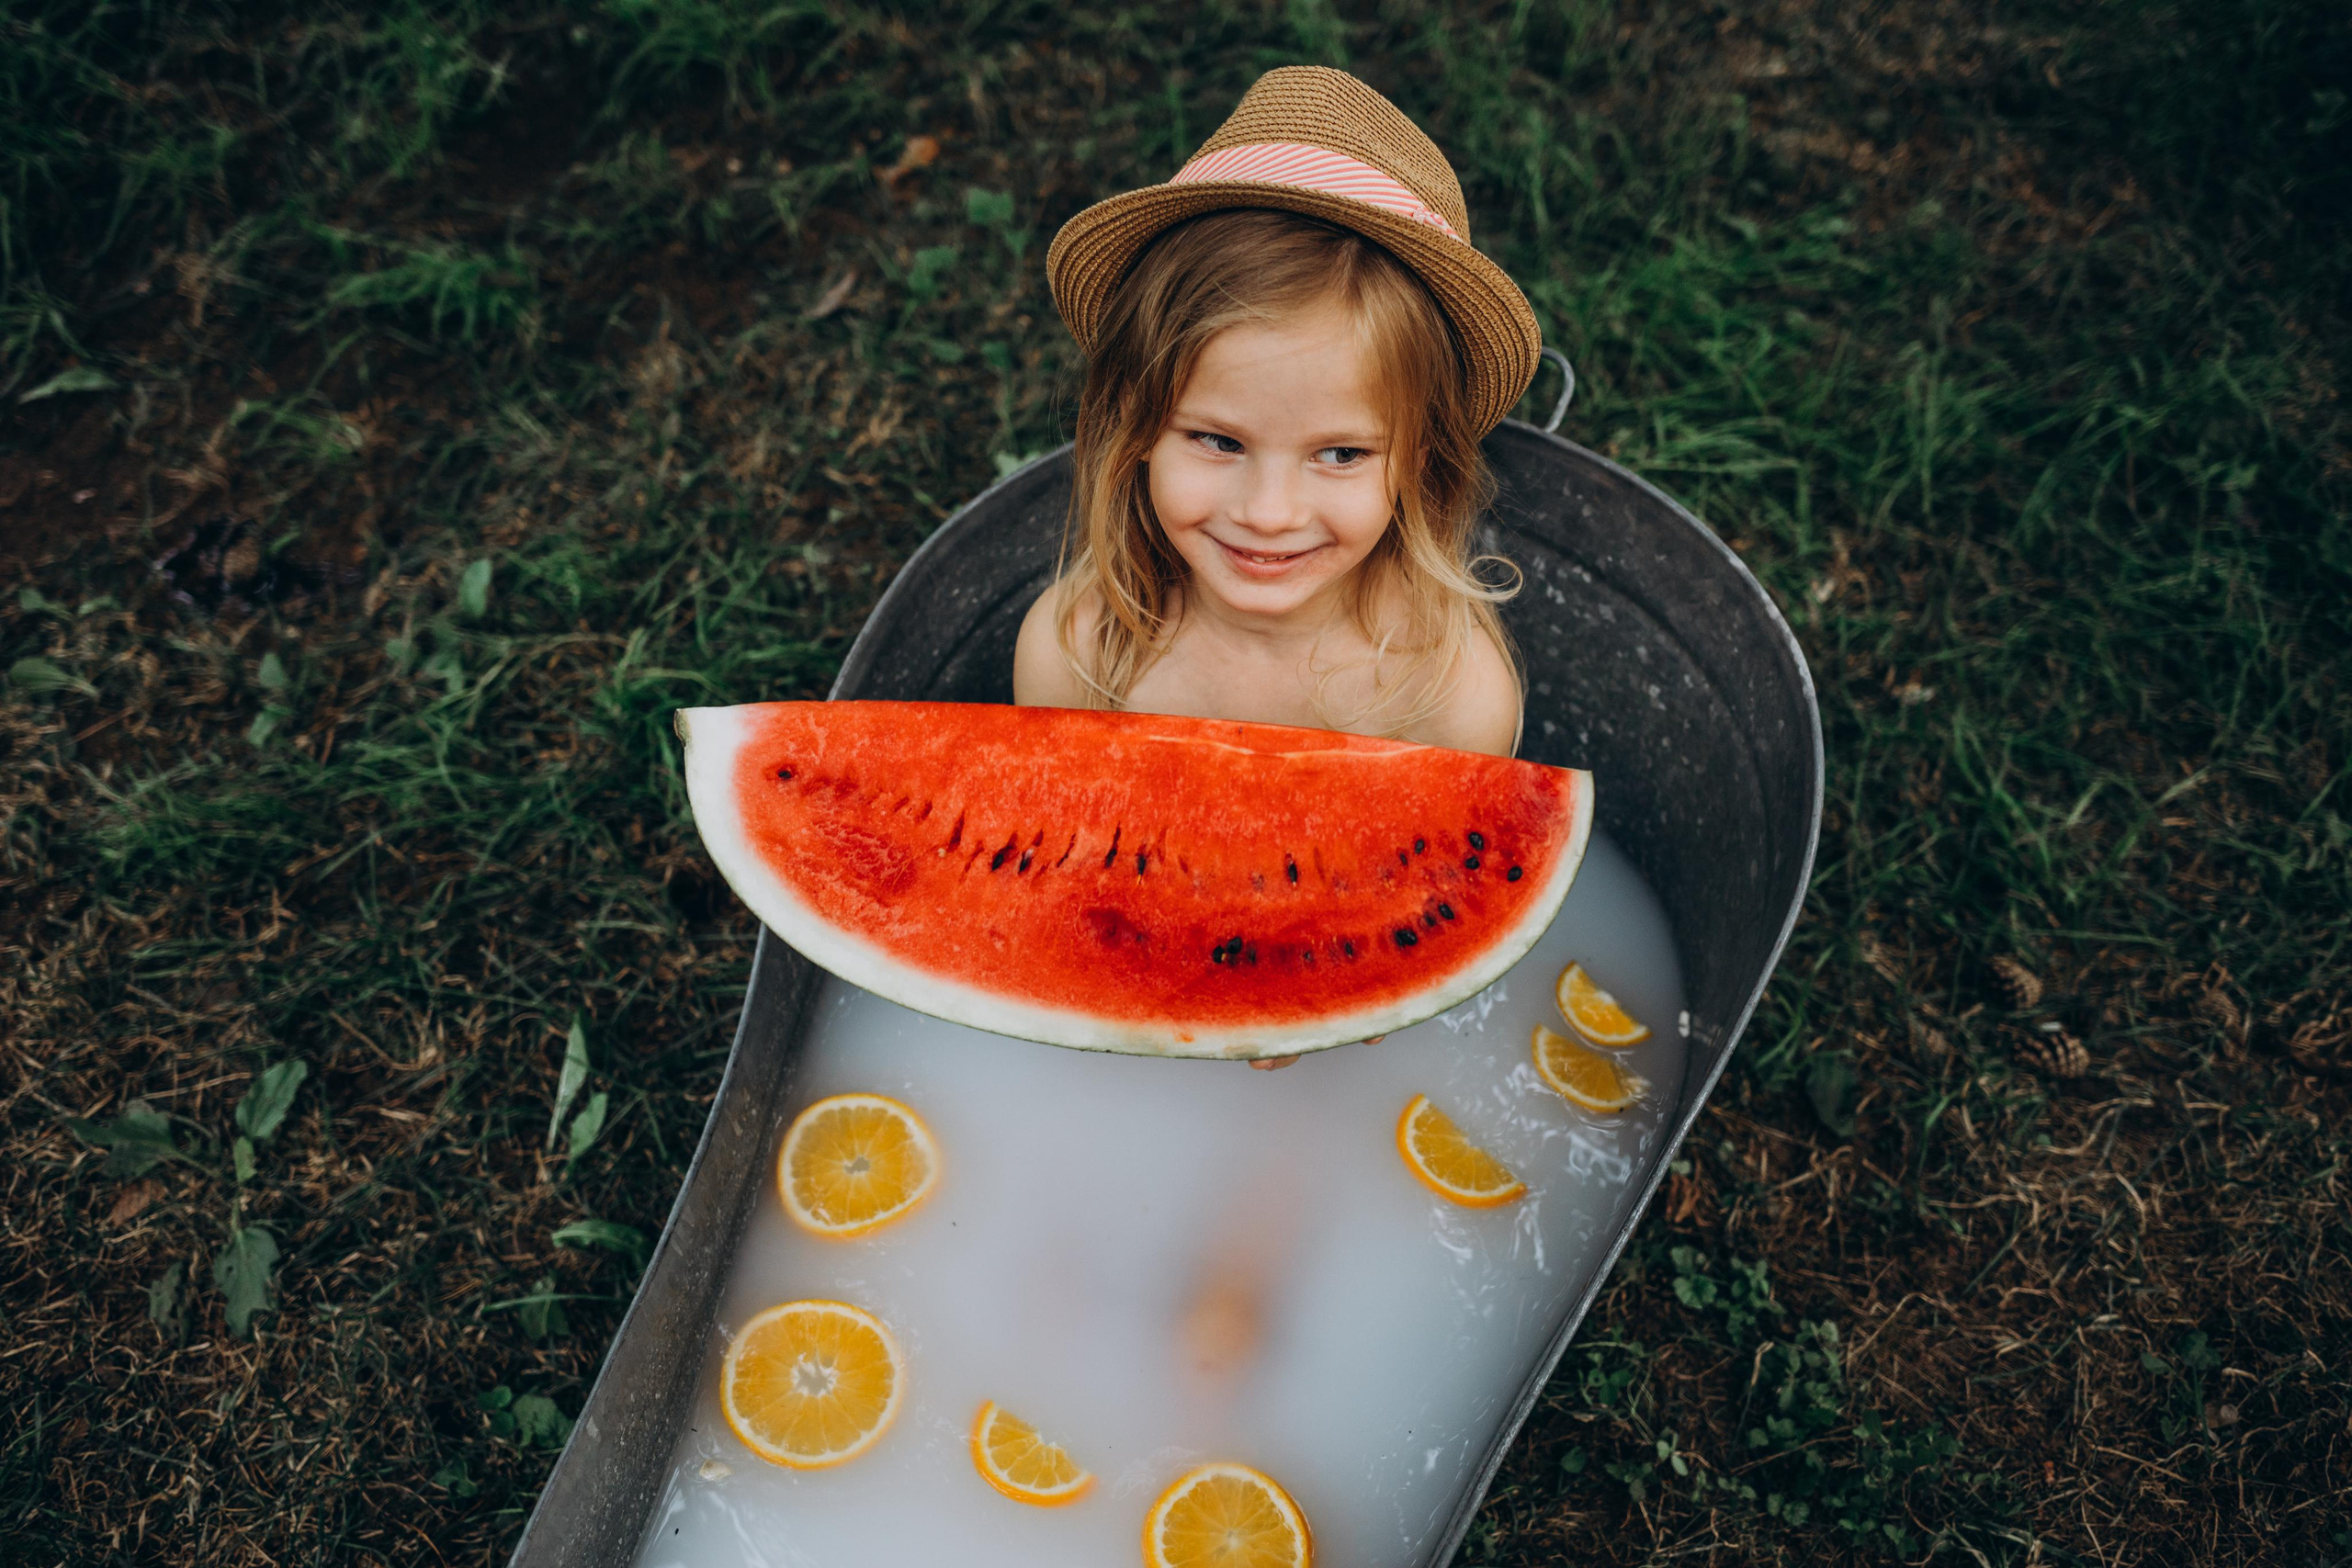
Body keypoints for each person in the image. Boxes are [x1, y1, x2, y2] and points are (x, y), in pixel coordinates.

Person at [1013, 65, 1548, 1070]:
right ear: (1134, 432)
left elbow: (1437, 920)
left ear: (1416, 462)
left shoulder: (1449, 691)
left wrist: (1323, 1001)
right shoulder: (1080, 650)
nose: (1267, 514)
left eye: (1339, 455)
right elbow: (1062, 870)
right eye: (1215, 440)